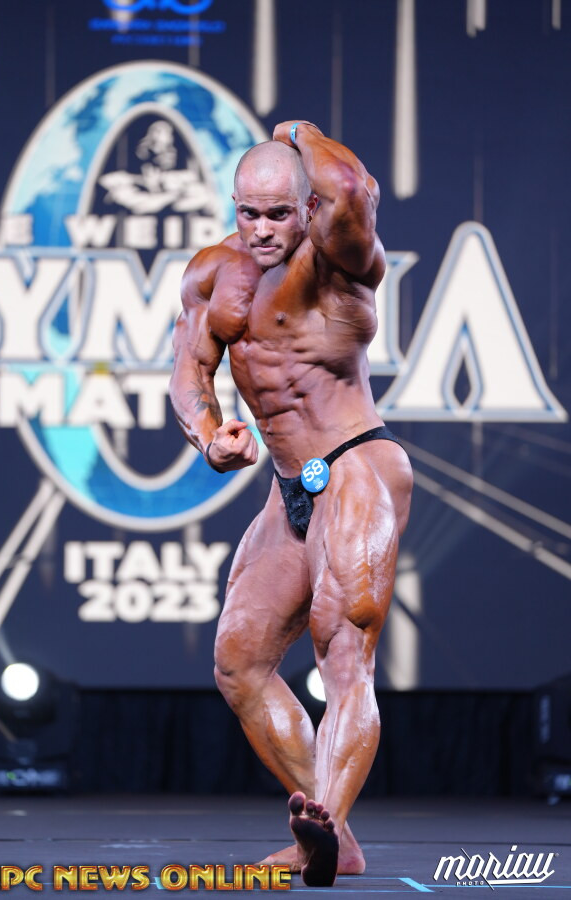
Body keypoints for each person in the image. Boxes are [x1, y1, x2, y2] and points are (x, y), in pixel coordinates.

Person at [169, 121, 413, 887]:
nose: (263, 229)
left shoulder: (343, 261)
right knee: (238, 662)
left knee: (343, 652)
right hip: (289, 487)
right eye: (249, 212)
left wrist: (299, 132)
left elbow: (353, 188)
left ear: (307, 207)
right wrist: (209, 436)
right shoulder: (214, 275)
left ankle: (326, 819)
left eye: (280, 212)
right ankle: (331, 833)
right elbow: (188, 372)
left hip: (356, 465)